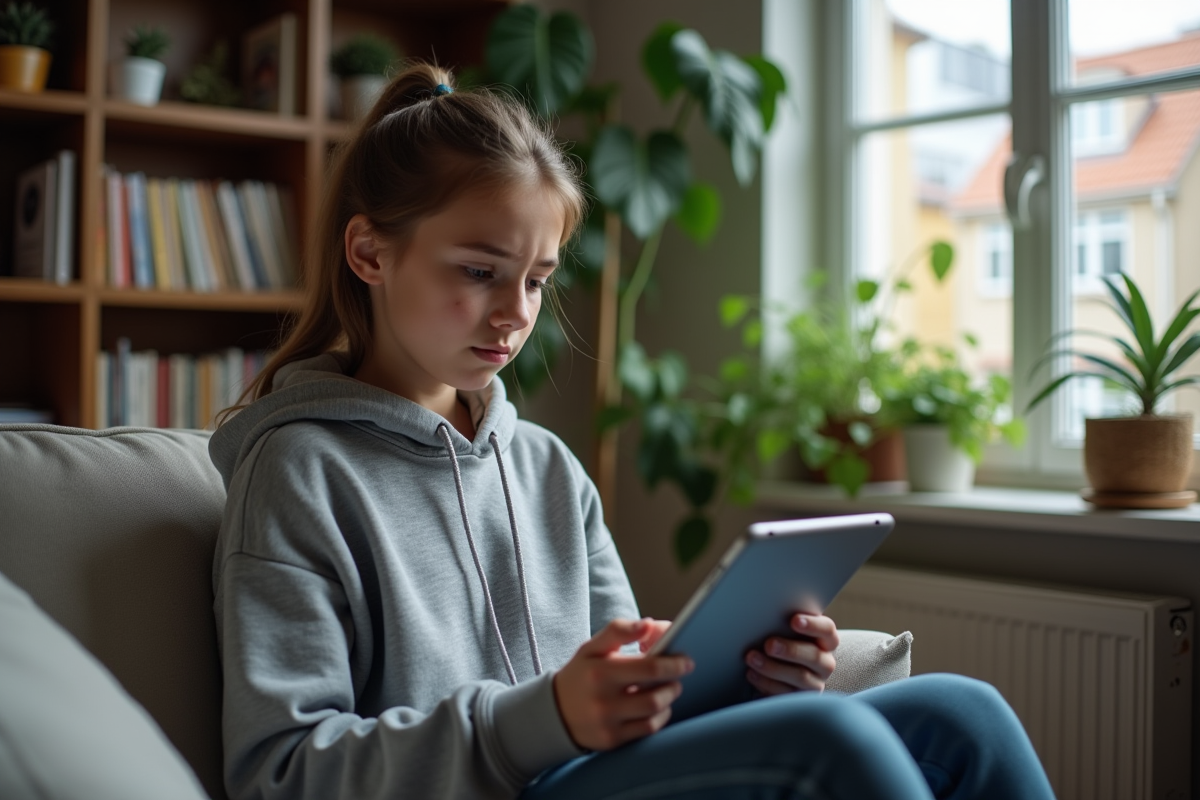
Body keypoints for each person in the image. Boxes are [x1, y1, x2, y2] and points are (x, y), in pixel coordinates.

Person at [209, 63, 1057, 800]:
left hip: (595, 778)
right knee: (838, 741)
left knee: (963, 711)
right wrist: (530, 722)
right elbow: (280, 771)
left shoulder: (545, 467)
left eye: (537, 280)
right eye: (479, 272)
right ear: (369, 253)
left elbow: (644, 702)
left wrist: (755, 682)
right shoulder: (297, 471)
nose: (515, 314)